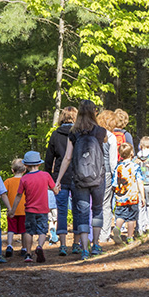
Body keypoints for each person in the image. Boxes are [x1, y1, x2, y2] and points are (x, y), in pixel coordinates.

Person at [55, 99, 106, 260]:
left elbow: (67, 158)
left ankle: (84, 249)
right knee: (97, 210)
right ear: (93, 112)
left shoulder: (73, 133)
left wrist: (58, 179)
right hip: (98, 177)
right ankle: (96, 244)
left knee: (82, 213)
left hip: (78, 179)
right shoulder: (100, 131)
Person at [9, 151, 59, 263]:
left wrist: (13, 210)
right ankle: (40, 246)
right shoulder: (46, 175)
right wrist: (57, 189)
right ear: (39, 164)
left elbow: (18, 195)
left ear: (25, 166)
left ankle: (28, 254)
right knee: (42, 231)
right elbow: (55, 190)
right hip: (43, 209)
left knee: (28, 231)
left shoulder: (24, 179)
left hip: (30, 210)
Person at [44, 106, 81, 256]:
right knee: (79, 210)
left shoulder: (55, 135)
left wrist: (49, 177)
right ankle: (77, 243)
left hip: (60, 176)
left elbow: (49, 158)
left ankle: (63, 245)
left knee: (61, 211)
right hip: (78, 175)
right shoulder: (79, 134)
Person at [111, 142, 146, 245]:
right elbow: (140, 182)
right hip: (132, 197)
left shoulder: (118, 167)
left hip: (120, 197)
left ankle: (117, 228)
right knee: (131, 218)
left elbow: (114, 183)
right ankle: (130, 237)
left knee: (120, 216)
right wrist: (142, 197)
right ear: (132, 153)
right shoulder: (135, 167)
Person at [96, 109, 119, 243]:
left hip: (91, 172)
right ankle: (103, 235)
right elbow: (112, 161)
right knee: (105, 204)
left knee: (93, 203)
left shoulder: (92, 134)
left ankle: (90, 234)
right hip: (106, 173)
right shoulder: (110, 137)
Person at [3, 158, 27, 257]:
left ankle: (9, 245)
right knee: (24, 230)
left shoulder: (8, 181)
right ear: (25, 170)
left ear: (12, 170)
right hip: (25, 210)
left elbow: (2, 193)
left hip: (11, 209)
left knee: (11, 229)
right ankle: (24, 248)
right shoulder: (26, 180)